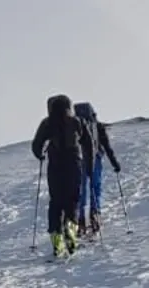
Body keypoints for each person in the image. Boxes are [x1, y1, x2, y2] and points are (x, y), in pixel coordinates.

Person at [31, 94, 94, 257]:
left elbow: (36, 145)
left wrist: (40, 155)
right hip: (74, 163)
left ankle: (56, 239)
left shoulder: (47, 123)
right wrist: (90, 167)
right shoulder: (77, 122)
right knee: (73, 200)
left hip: (55, 165)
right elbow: (89, 143)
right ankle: (71, 232)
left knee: (56, 203)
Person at [72, 102, 121, 237]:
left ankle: (81, 220)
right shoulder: (97, 126)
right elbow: (106, 146)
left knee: (82, 189)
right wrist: (115, 163)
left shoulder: (75, 126)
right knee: (96, 188)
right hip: (96, 158)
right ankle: (95, 216)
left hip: (79, 160)